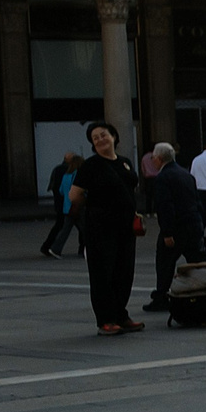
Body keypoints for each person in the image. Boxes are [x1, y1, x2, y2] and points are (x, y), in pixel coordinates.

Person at [71, 121, 143, 336]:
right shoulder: (91, 165)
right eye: (95, 138)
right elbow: (74, 195)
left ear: (113, 136)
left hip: (126, 227)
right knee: (103, 273)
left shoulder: (125, 163)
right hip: (101, 228)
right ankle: (106, 319)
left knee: (124, 271)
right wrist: (97, 207)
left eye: (104, 135)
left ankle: (121, 314)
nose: (101, 140)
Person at [147, 142, 203, 313]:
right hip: (192, 224)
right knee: (196, 261)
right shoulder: (186, 174)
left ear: (159, 158)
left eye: (153, 158)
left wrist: (167, 232)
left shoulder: (163, 177)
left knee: (165, 263)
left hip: (177, 226)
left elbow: (165, 206)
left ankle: (161, 296)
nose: (153, 161)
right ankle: (203, 291)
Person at [39, 151, 82, 258]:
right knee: (84, 229)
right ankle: (84, 249)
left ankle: (52, 248)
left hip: (65, 206)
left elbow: (59, 189)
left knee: (63, 228)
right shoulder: (76, 174)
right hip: (75, 206)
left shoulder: (63, 173)